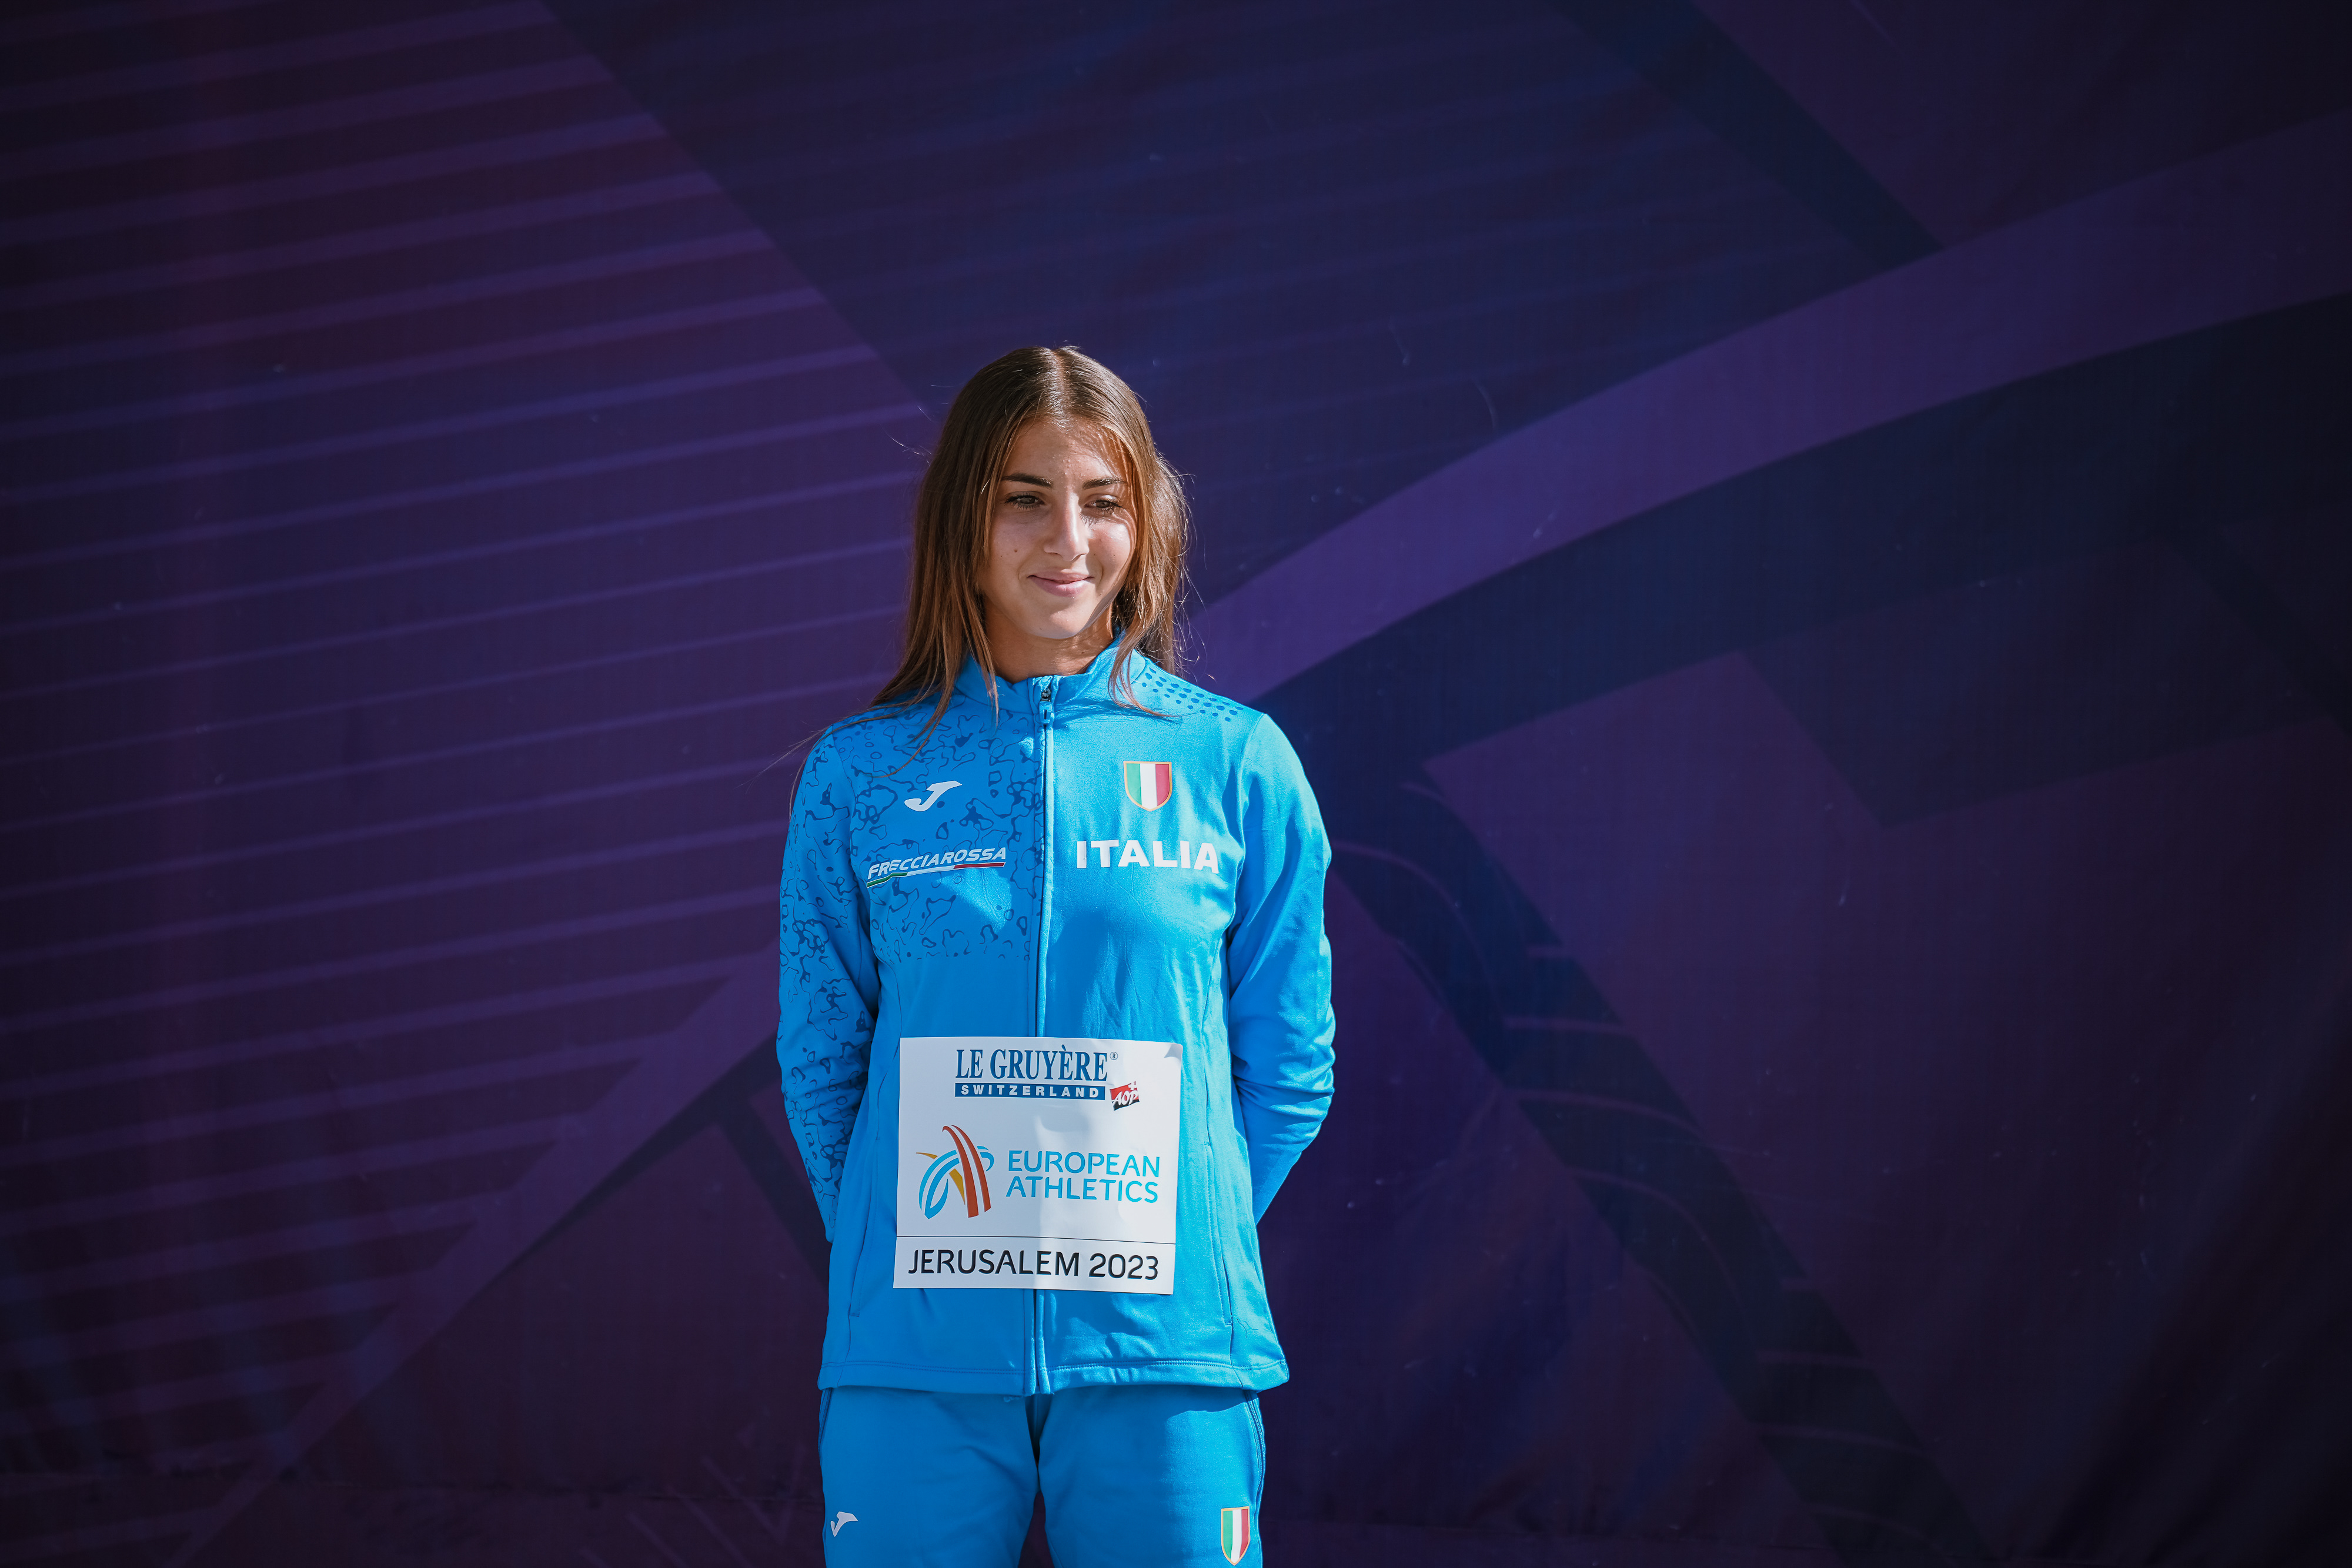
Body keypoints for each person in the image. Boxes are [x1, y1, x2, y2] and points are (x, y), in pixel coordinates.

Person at [776, 345, 1336, 1567]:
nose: (1067, 540)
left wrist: (1170, 1238)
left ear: (1146, 521)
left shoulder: (1234, 764)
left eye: (1102, 499)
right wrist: (909, 1258)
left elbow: (1290, 1068)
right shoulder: (858, 775)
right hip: (916, 1359)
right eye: (1024, 497)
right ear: (961, 521)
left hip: (1164, 1354)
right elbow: (822, 1066)